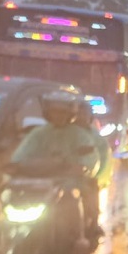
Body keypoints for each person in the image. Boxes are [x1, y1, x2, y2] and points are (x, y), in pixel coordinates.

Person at [9, 90, 100, 234]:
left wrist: (81, 168)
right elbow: (20, 157)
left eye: (62, 112)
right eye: (55, 112)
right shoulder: (38, 134)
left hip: (69, 184)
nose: (58, 115)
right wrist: (18, 166)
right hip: (38, 185)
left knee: (73, 197)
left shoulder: (80, 135)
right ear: (48, 113)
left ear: (70, 114)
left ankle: (79, 237)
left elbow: (90, 160)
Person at [75, 100, 113, 236]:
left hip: (89, 177)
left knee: (92, 201)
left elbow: (103, 157)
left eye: (84, 114)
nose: (81, 117)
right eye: (79, 114)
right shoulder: (66, 133)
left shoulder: (95, 136)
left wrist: (97, 176)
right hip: (67, 176)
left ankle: (94, 224)